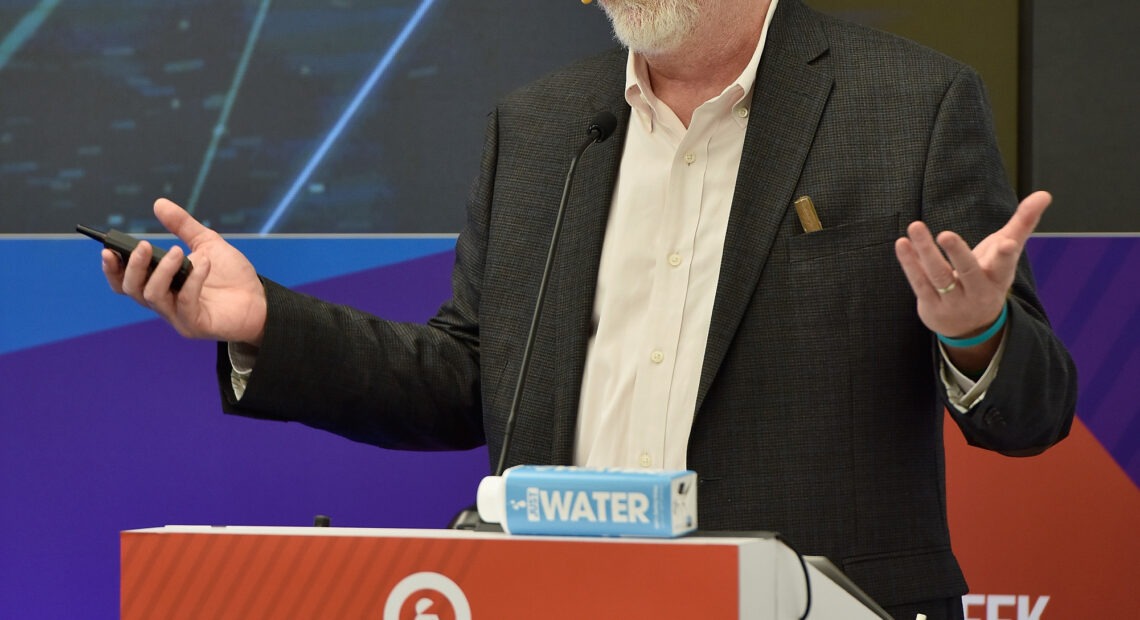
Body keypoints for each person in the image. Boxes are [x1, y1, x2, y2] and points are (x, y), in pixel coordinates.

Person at [100, 1, 1077, 618]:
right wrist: (266, 319)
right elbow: (463, 378)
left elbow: (1029, 410)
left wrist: (973, 331)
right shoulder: (542, 127)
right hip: (559, 601)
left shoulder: (906, 103)